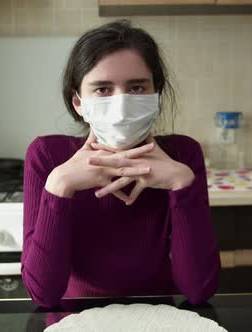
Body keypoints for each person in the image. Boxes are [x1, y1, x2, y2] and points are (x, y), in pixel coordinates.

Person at [22, 20, 220, 309]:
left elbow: (199, 290)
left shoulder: (183, 154)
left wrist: (181, 183)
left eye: (137, 87)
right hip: (75, 322)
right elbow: (42, 295)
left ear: (156, 96)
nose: (122, 104)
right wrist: (59, 185)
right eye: (102, 89)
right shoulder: (47, 155)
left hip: (159, 321)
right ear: (77, 102)